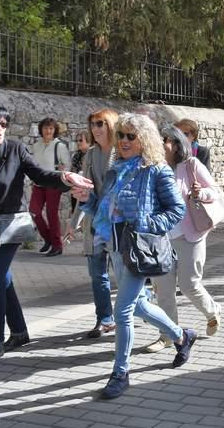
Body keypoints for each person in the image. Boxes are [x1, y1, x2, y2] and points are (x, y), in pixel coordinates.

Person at [72, 113, 194, 399]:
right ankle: (182, 336)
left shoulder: (156, 170)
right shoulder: (118, 168)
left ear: (144, 139)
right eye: (122, 136)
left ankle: (120, 372)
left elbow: (176, 210)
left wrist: (146, 225)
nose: (124, 141)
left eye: (131, 136)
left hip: (139, 248)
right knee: (138, 306)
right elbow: (105, 208)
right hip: (115, 246)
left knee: (122, 311)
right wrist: (85, 199)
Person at [0, 103, 92, 364]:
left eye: (3, 124)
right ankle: (19, 332)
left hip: (7, 228)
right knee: (2, 282)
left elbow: (39, 174)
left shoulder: (15, 150)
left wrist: (65, 178)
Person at [144, 125, 223, 353]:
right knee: (164, 289)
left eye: (165, 139)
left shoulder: (190, 165)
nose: (160, 143)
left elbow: (214, 191)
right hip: (161, 238)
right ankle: (168, 335)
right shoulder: (153, 168)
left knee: (189, 285)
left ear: (176, 143)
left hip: (190, 235)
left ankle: (212, 311)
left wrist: (201, 194)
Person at [68, 109, 120, 339]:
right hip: (94, 224)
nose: (96, 128)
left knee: (125, 274)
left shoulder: (122, 152)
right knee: (98, 275)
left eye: (100, 123)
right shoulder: (90, 154)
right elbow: (84, 192)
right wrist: (73, 222)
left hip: (118, 225)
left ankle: (137, 310)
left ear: (111, 125)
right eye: (92, 124)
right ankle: (105, 319)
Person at [30, 117, 71, 256]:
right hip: (38, 183)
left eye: (51, 128)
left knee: (51, 214)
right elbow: (33, 165)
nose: (48, 131)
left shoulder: (59, 146)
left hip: (53, 182)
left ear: (55, 130)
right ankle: (48, 239)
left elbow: (67, 165)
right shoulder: (36, 145)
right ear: (41, 129)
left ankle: (57, 246)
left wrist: (62, 168)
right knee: (34, 211)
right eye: (46, 128)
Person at [69, 130, 91, 211]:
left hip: (88, 190)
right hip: (76, 189)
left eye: (81, 140)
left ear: (88, 141)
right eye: (77, 140)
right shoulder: (76, 155)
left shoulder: (93, 155)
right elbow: (72, 171)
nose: (78, 142)